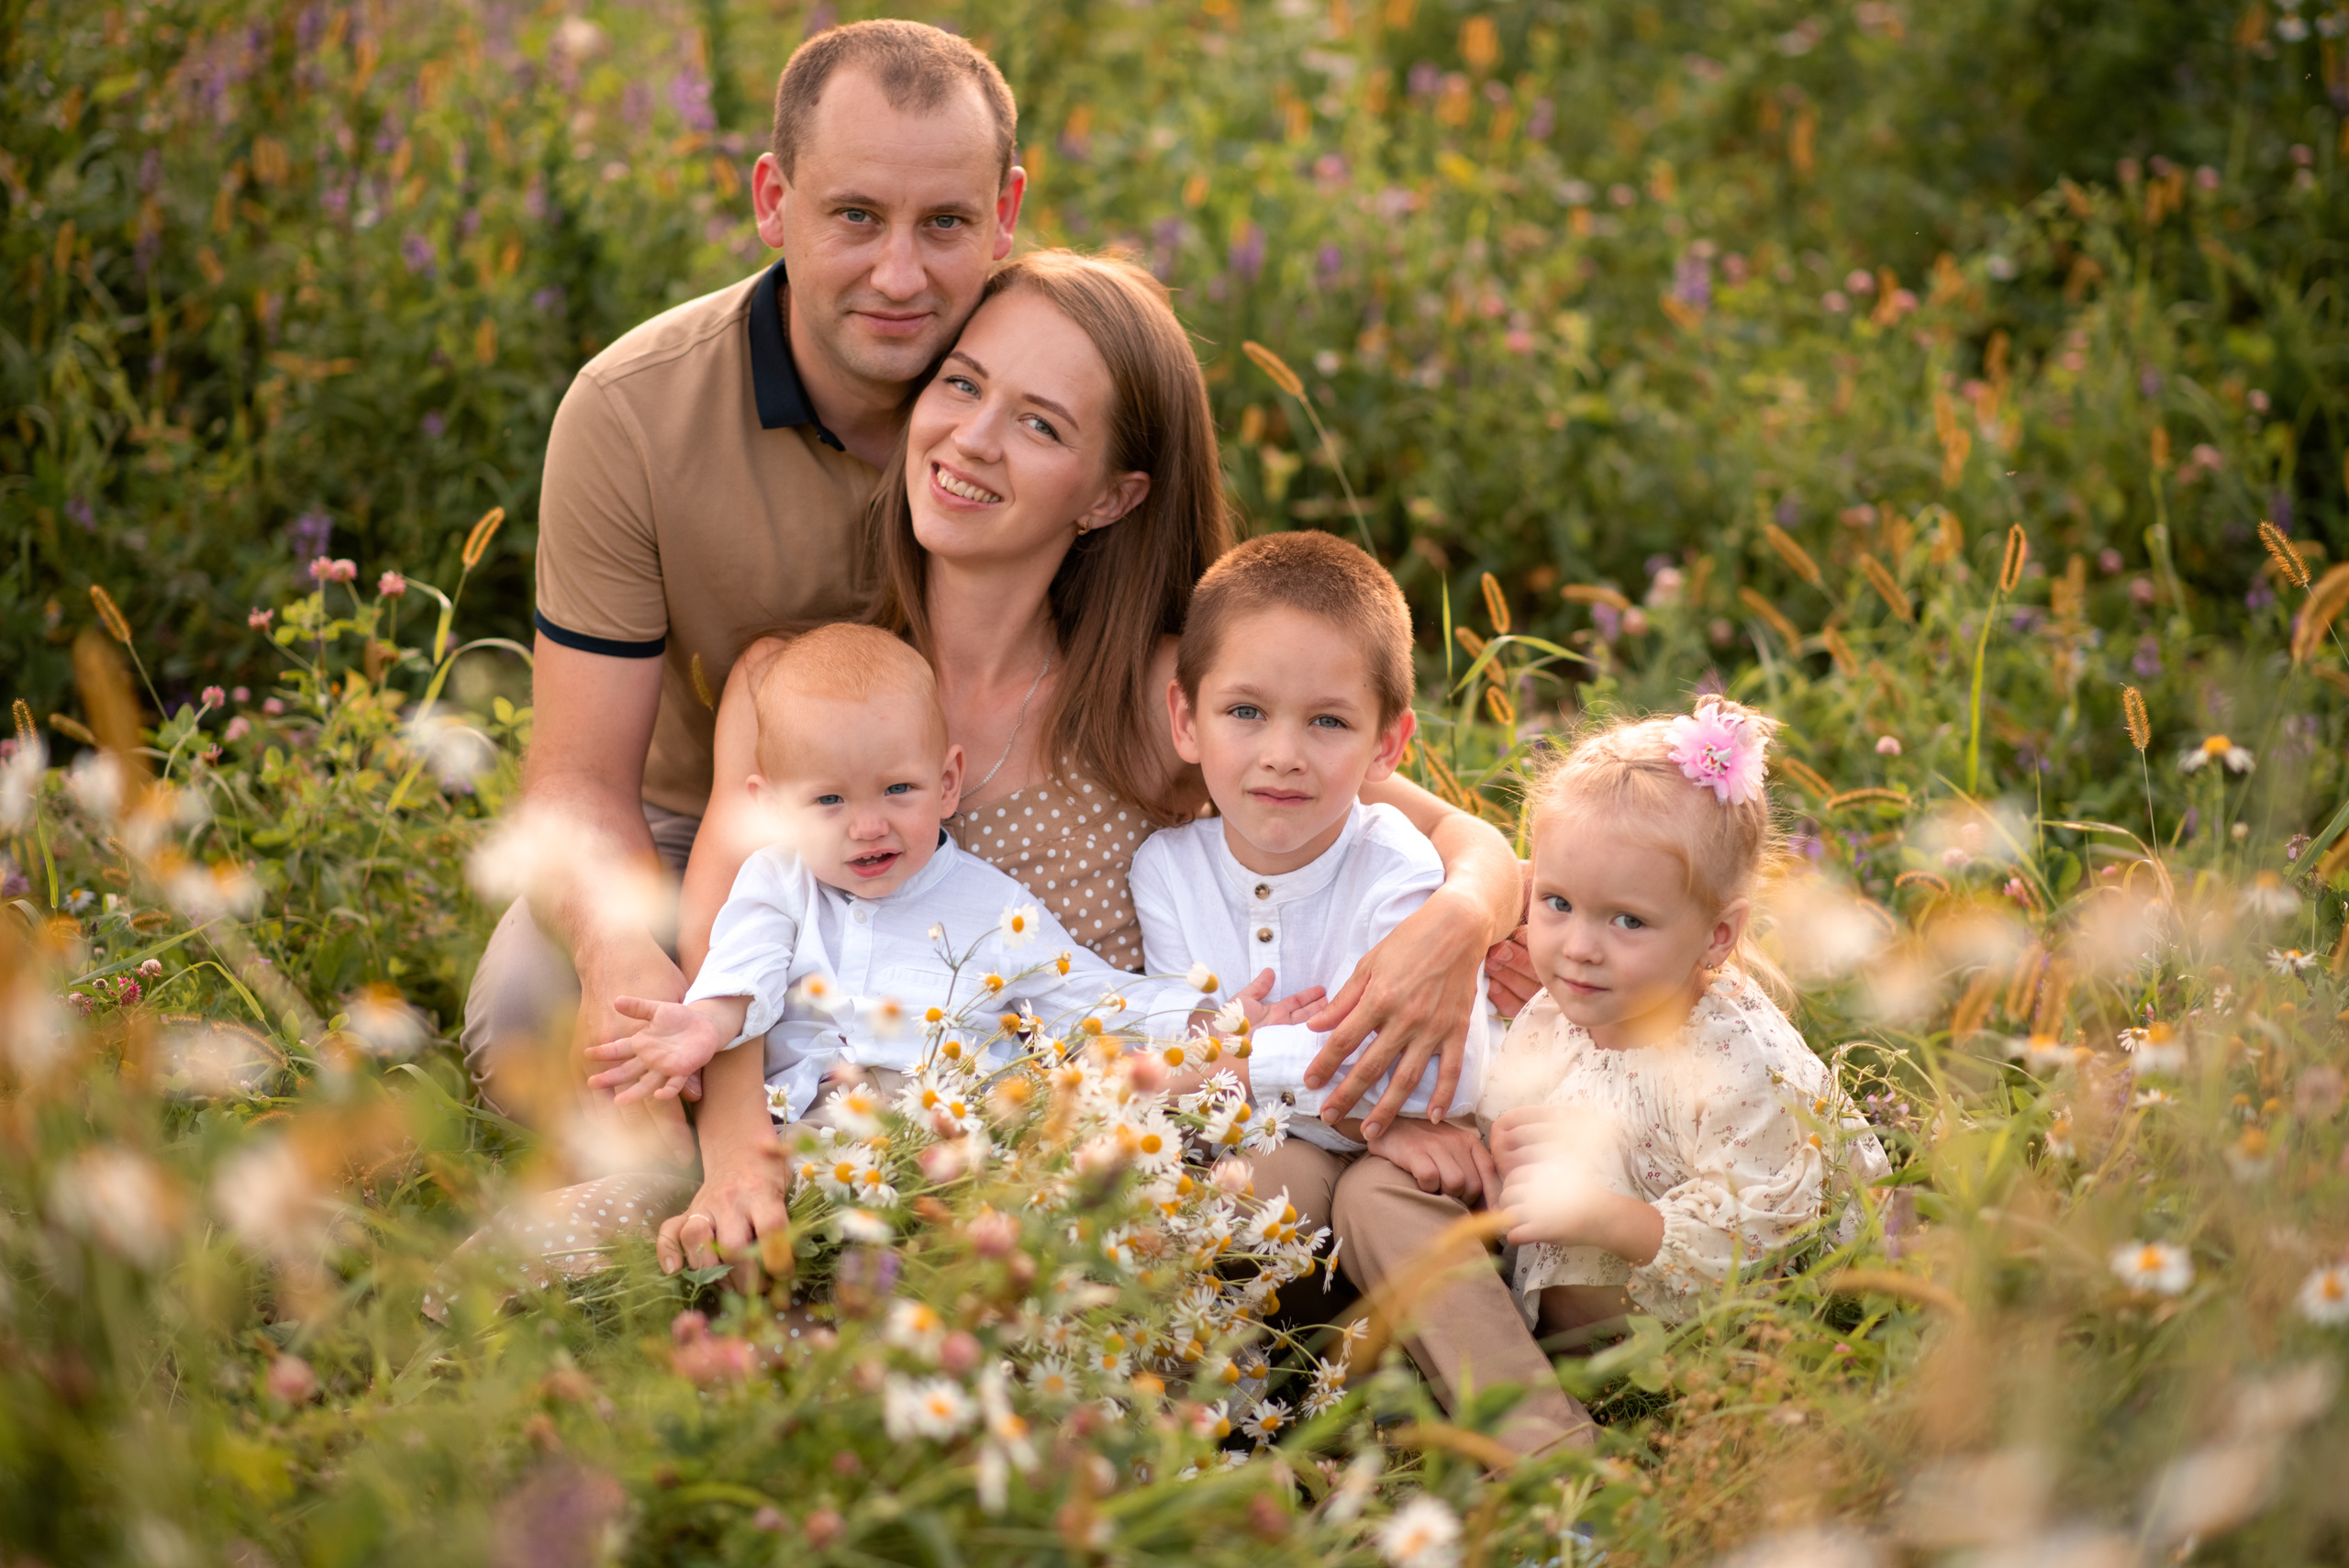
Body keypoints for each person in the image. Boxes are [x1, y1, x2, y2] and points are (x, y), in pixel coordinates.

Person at [460, 19, 1030, 1147]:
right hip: (689, 829)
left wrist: (1461, 871)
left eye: (948, 223)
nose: (901, 274)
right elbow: (576, 780)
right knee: (535, 1030)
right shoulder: (633, 412)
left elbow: (1205, 679)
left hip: (985, 809)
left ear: (1005, 213)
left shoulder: (1052, 391)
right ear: (774, 198)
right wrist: (626, 944)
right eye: (855, 216)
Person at [1130, 530, 1594, 1457]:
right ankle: (1198, 1439)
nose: (1283, 755)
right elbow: (1183, 1066)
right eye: (1246, 711)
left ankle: (1545, 1453)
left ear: (1389, 742)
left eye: (1328, 722)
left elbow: (1434, 1082)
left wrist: (1241, 1057)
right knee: (1232, 1182)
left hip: (1419, 1168)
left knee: (1381, 1192)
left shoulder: (1395, 860)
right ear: (1186, 719)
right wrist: (1295, 1072)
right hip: (1301, 1166)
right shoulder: (1165, 870)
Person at [580, 622, 1206, 1118]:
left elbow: (1086, 997)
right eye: (829, 800)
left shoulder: (992, 906)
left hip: (953, 1130)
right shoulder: (777, 884)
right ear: (771, 808)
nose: (868, 826)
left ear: (948, 782)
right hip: (811, 1123)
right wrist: (702, 1025)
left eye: (898, 789)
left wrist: (1208, 1018)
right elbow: (744, 971)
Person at [1481, 697, 1890, 1338]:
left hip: (1743, 1293)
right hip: (1626, 1266)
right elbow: (1512, 1110)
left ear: (1717, 936)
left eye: (1628, 920)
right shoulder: (1552, 1018)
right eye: (1557, 902)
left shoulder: (1737, 1063)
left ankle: (1624, 1375)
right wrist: (1504, 1140)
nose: (1579, 946)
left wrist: (1604, 1216)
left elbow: (1761, 1238)